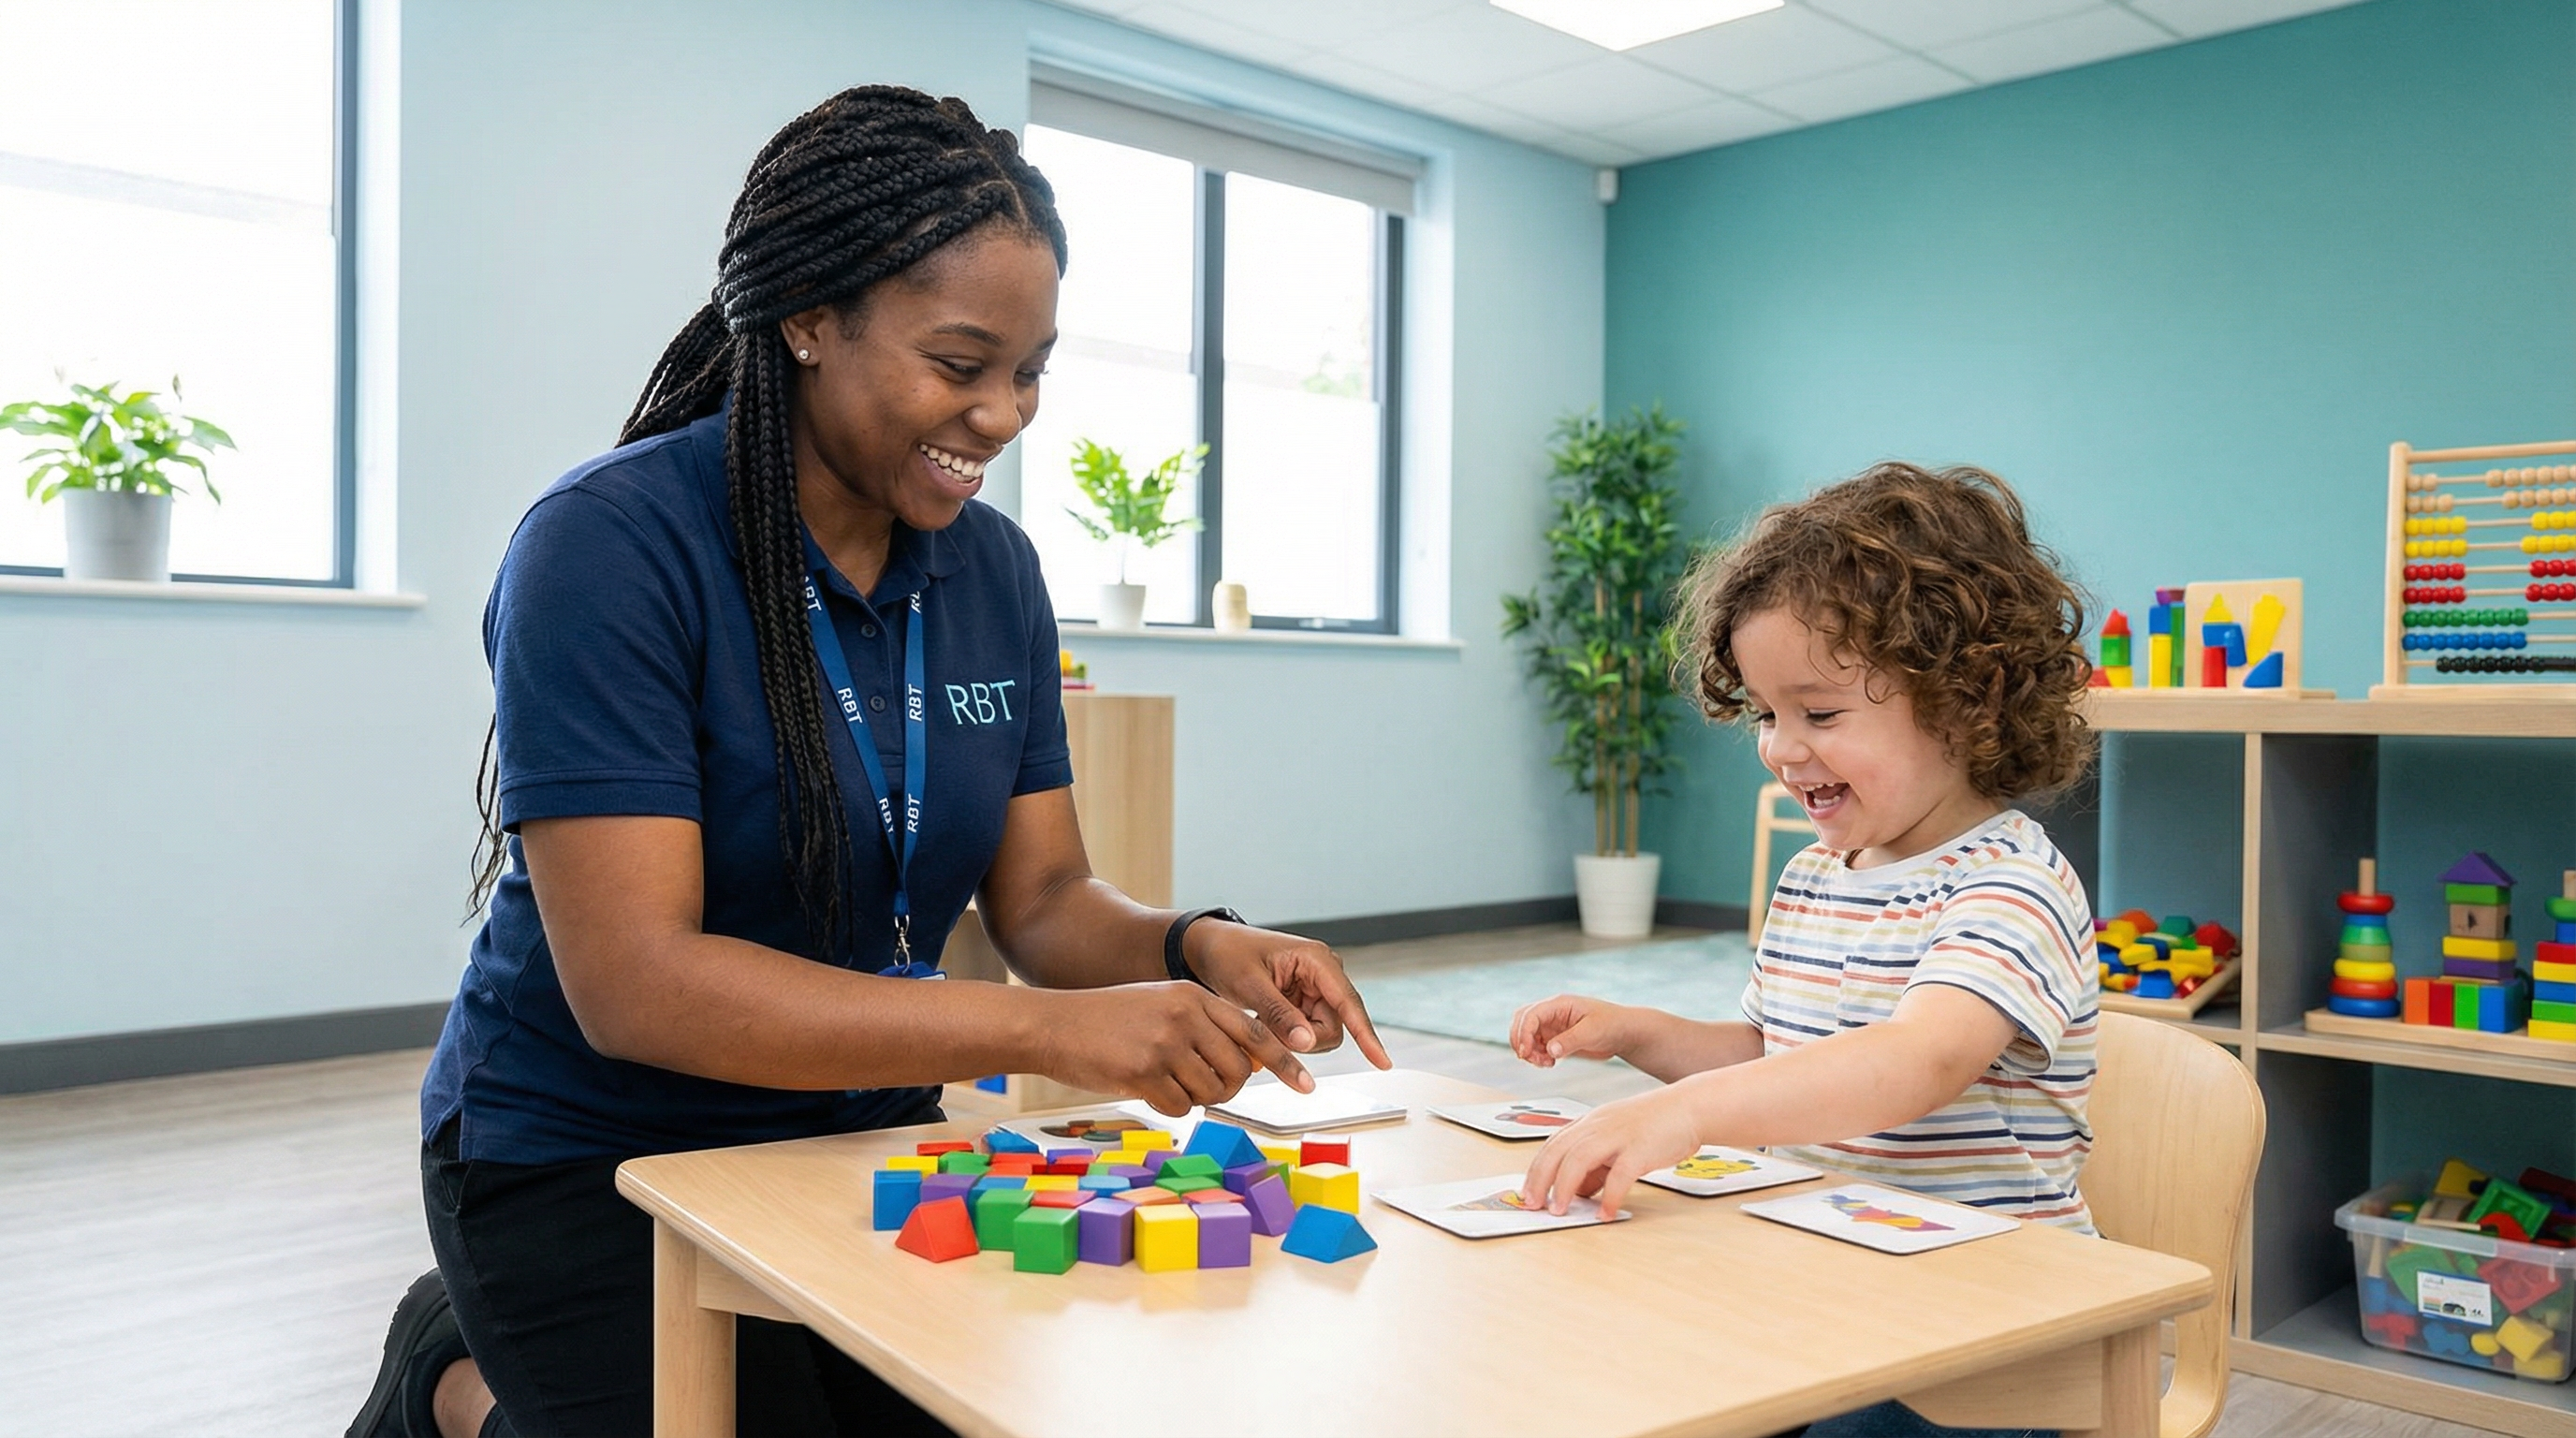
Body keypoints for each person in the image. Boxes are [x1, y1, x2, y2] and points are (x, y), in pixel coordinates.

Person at [349, 86, 1388, 1438]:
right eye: (961, 365)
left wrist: (1192, 944)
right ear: (805, 320)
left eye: (1031, 369)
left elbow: (1045, 903)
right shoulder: (605, 551)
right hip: (585, 1153)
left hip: (860, 1133)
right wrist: (1046, 1030)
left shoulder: (993, 569)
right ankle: (460, 1380)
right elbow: (638, 987)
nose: (1005, 414)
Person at [1511, 463, 2097, 1438]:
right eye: (1764, 716)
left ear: (1963, 700)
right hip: (1834, 1270)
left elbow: (1914, 1062)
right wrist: (1641, 1034)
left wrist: (1684, 1114)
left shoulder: (2009, 886)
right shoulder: (1820, 875)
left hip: (1990, 1317)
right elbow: (1776, 1057)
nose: (1782, 748)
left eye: (1819, 714)